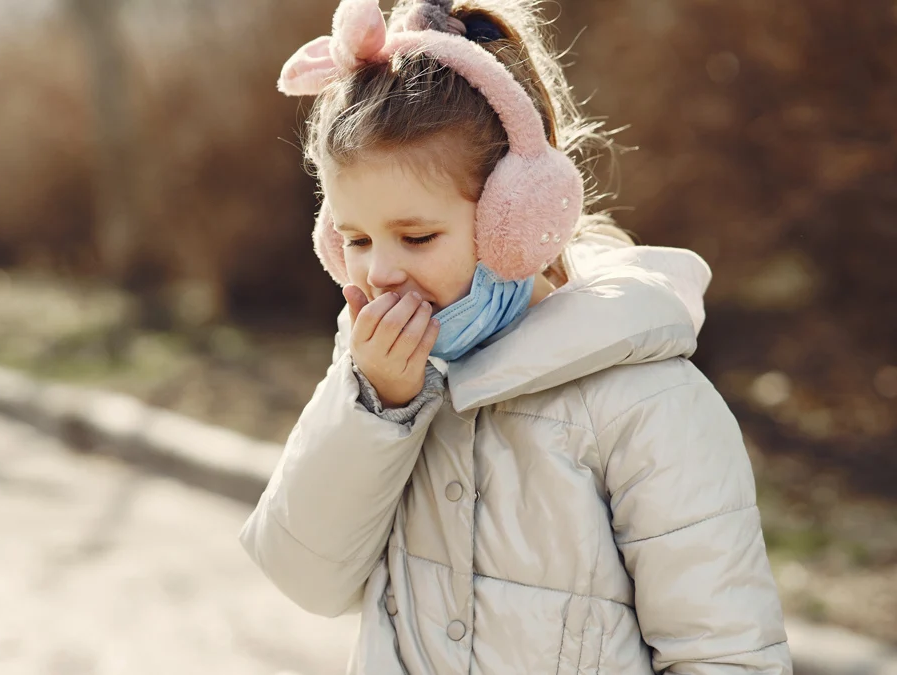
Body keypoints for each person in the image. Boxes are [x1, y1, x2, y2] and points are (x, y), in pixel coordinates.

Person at [239, 0, 792, 673]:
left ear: (518, 218)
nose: (380, 272)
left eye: (416, 236)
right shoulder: (376, 375)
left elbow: (726, 651)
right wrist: (376, 408)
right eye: (354, 239)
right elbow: (307, 577)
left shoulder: (644, 402)